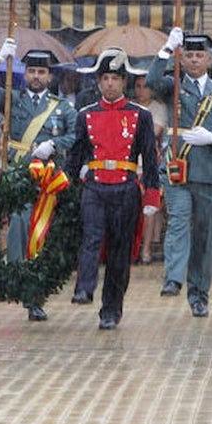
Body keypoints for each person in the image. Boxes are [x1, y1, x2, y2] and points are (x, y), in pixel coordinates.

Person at [0, 44, 76, 321]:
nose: (36, 76)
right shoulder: (12, 100)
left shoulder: (62, 108)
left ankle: (36, 295)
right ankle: (23, 283)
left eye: (42, 72)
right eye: (31, 71)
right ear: (24, 74)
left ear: (50, 77)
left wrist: (54, 143)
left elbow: (76, 136)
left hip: (50, 181)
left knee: (41, 235)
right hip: (20, 176)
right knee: (19, 228)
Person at [146, 32, 212, 318]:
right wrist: (166, 49)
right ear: (182, 58)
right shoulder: (173, 87)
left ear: (209, 59)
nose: (194, 60)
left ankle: (199, 293)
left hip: (210, 171)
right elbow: (151, 81)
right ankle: (173, 278)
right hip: (179, 168)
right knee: (178, 220)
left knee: (206, 236)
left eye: (200, 55)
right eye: (188, 55)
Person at [65, 48, 160, 329]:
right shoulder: (86, 115)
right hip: (94, 186)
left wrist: (152, 193)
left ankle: (111, 309)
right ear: (98, 82)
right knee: (91, 237)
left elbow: (150, 158)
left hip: (126, 187)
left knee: (120, 251)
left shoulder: (140, 115)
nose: (109, 84)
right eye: (105, 78)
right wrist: (62, 185)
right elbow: (76, 155)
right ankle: (84, 287)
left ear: (123, 82)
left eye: (115, 78)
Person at [133, 74, 167, 265]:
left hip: (148, 164)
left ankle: (146, 249)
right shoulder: (129, 105)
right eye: (137, 86)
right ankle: (134, 248)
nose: (141, 90)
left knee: (150, 207)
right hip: (129, 164)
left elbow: (154, 132)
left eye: (145, 86)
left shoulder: (158, 107)